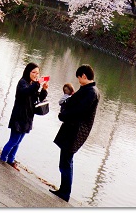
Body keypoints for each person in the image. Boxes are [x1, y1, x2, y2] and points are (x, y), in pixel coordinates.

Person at [49, 64, 99, 202]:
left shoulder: (90, 92)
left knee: (66, 161)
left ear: (84, 76)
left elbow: (79, 111)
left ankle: (65, 192)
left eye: (79, 78)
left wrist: (63, 115)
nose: (78, 81)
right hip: (74, 129)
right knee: (66, 161)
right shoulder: (89, 90)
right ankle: (64, 190)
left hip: (76, 131)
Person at [0, 62, 49, 171]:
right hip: (19, 116)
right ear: (28, 72)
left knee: (19, 141)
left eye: (38, 73)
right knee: (14, 140)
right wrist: (37, 85)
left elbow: (38, 99)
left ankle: (11, 160)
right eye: (33, 72)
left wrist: (44, 90)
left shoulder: (33, 84)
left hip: (28, 117)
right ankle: (3, 158)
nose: (36, 75)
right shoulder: (23, 82)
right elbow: (25, 92)